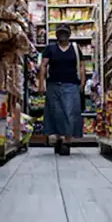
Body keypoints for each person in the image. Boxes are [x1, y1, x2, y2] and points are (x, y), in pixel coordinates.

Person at [39, 24, 84, 155]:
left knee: (69, 112)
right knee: (56, 113)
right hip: (53, 85)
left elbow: (81, 66)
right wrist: (41, 84)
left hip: (71, 85)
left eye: (65, 32)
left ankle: (67, 141)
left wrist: (82, 81)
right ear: (56, 35)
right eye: (60, 33)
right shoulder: (50, 48)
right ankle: (59, 139)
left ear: (69, 34)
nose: (63, 35)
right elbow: (43, 66)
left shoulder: (75, 48)